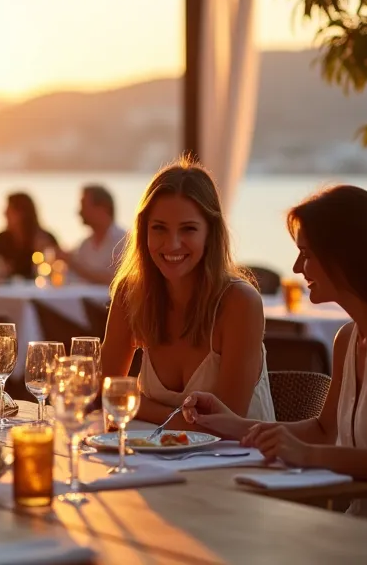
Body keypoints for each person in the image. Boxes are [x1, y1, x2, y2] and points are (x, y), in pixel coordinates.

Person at [181, 185, 367, 541]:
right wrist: (234, 424)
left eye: (306, 254)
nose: (296, 267)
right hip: (365, 535)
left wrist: (311, 455)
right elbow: (325, 431)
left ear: (346, 256)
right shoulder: (349, 338)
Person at [99, 156, 274, 432]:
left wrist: (141, 406)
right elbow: (107, 393)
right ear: (144, 231)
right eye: (159, 229)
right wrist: (179, 416)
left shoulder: (240, 302)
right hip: (155, 461)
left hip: (239, 465)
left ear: (210, 233)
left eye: (188, 229)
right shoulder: (131, 294)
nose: (173, 244)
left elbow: (225, 423)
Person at [0, 192, 59, 280]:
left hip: (38, 291)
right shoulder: (2, 239)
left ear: (22, 213)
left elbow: (57, 268)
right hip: (5, 290)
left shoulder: (45, 238)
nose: (5, 214)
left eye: (9, 211)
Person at [64, 184, 127, 285]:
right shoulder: (85, 245)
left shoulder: (124, 241)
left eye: (84, 205)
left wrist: (74, 265)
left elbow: (117, 280)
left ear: (103, 208)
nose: (80, 212)